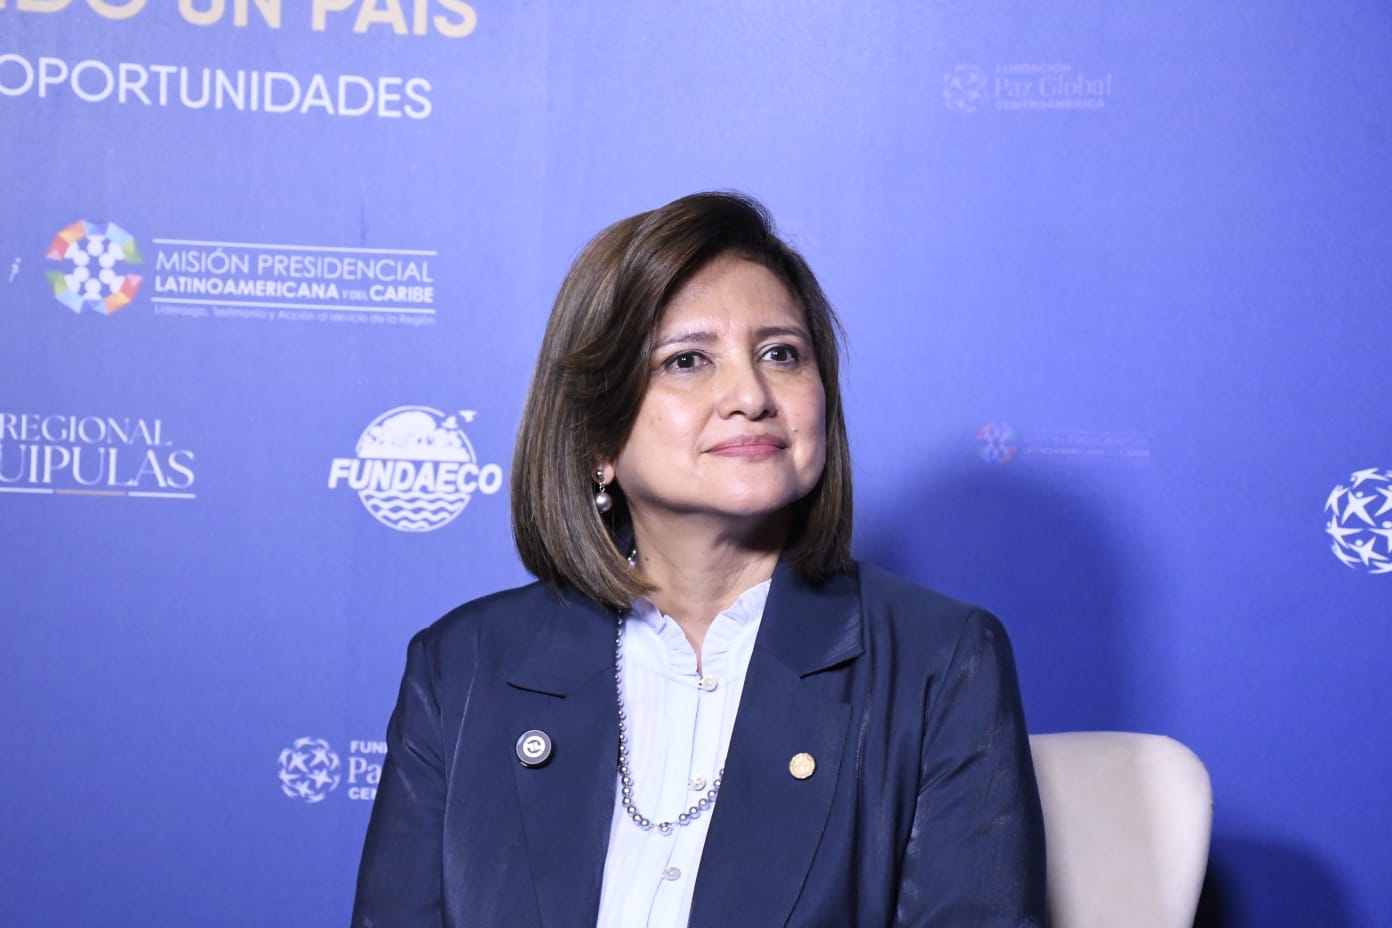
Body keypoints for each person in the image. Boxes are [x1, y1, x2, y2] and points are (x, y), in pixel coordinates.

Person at [352, 192, 1046, 927]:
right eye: (687, 361)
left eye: (781, 354)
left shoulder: (941, 663)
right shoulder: (460, 667)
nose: (750, 394)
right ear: (596, 439)